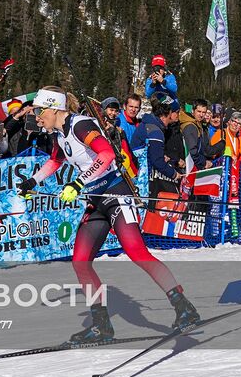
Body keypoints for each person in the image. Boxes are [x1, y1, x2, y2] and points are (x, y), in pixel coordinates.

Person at [17, 87, 199, 344]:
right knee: (80, 261)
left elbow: (106, 154)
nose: (37, 116)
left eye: (39, 111)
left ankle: (184, 308)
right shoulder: (59, 134)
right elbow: (56, 162)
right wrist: (32, 181)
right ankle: (101, 325)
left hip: (115, 193)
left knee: (137, 252)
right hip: (96, 201)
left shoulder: (80, 125)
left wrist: (77, 184)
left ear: (54, 108)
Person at [131, 99, 185, 196]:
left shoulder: (148, 124)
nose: (169, 120)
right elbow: (157, 160)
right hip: (142, 176)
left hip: (138, 169)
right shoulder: (155, 132)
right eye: (170, 116)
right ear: (165, 115)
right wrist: (173, 174)